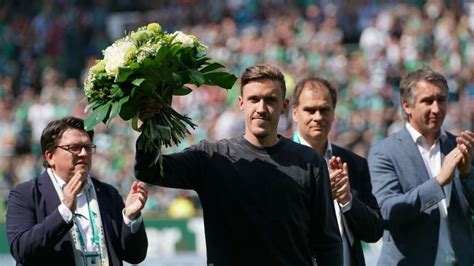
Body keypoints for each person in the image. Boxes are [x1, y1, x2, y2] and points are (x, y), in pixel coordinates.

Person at [135, 64, 342, 265]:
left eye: (270, 99)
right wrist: (151, 125)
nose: (261, 108)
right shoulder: (212, 158)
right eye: (254, 99)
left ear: (284, 106)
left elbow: (327, 242)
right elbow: (149, 170)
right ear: (241, 103)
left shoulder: (309, 162)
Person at [6, 116, 149, 265]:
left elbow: (135, 256)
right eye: (74, 148)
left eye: (87, 147)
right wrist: (64, 212)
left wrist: (131, 218)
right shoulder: (25, 194)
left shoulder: (108, 193)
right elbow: (22, 250)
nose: (83, 153)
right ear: (50, 156)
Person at [368, 66, 474, 265]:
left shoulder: (460, 147)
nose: (436, 108)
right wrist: (438, 183)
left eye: (441, 100)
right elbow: (388, 211)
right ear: (407, 106)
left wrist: (467, 173)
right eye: (427, 101)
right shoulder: (384, 152)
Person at [291, 77, 383, 266]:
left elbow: (374, 231)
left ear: (334, 113)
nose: (318, 117)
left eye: (324, 109)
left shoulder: (354, 164)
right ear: (294, 113)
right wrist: (320, 197)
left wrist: (348, 200)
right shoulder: (279, 162)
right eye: (310, 110)